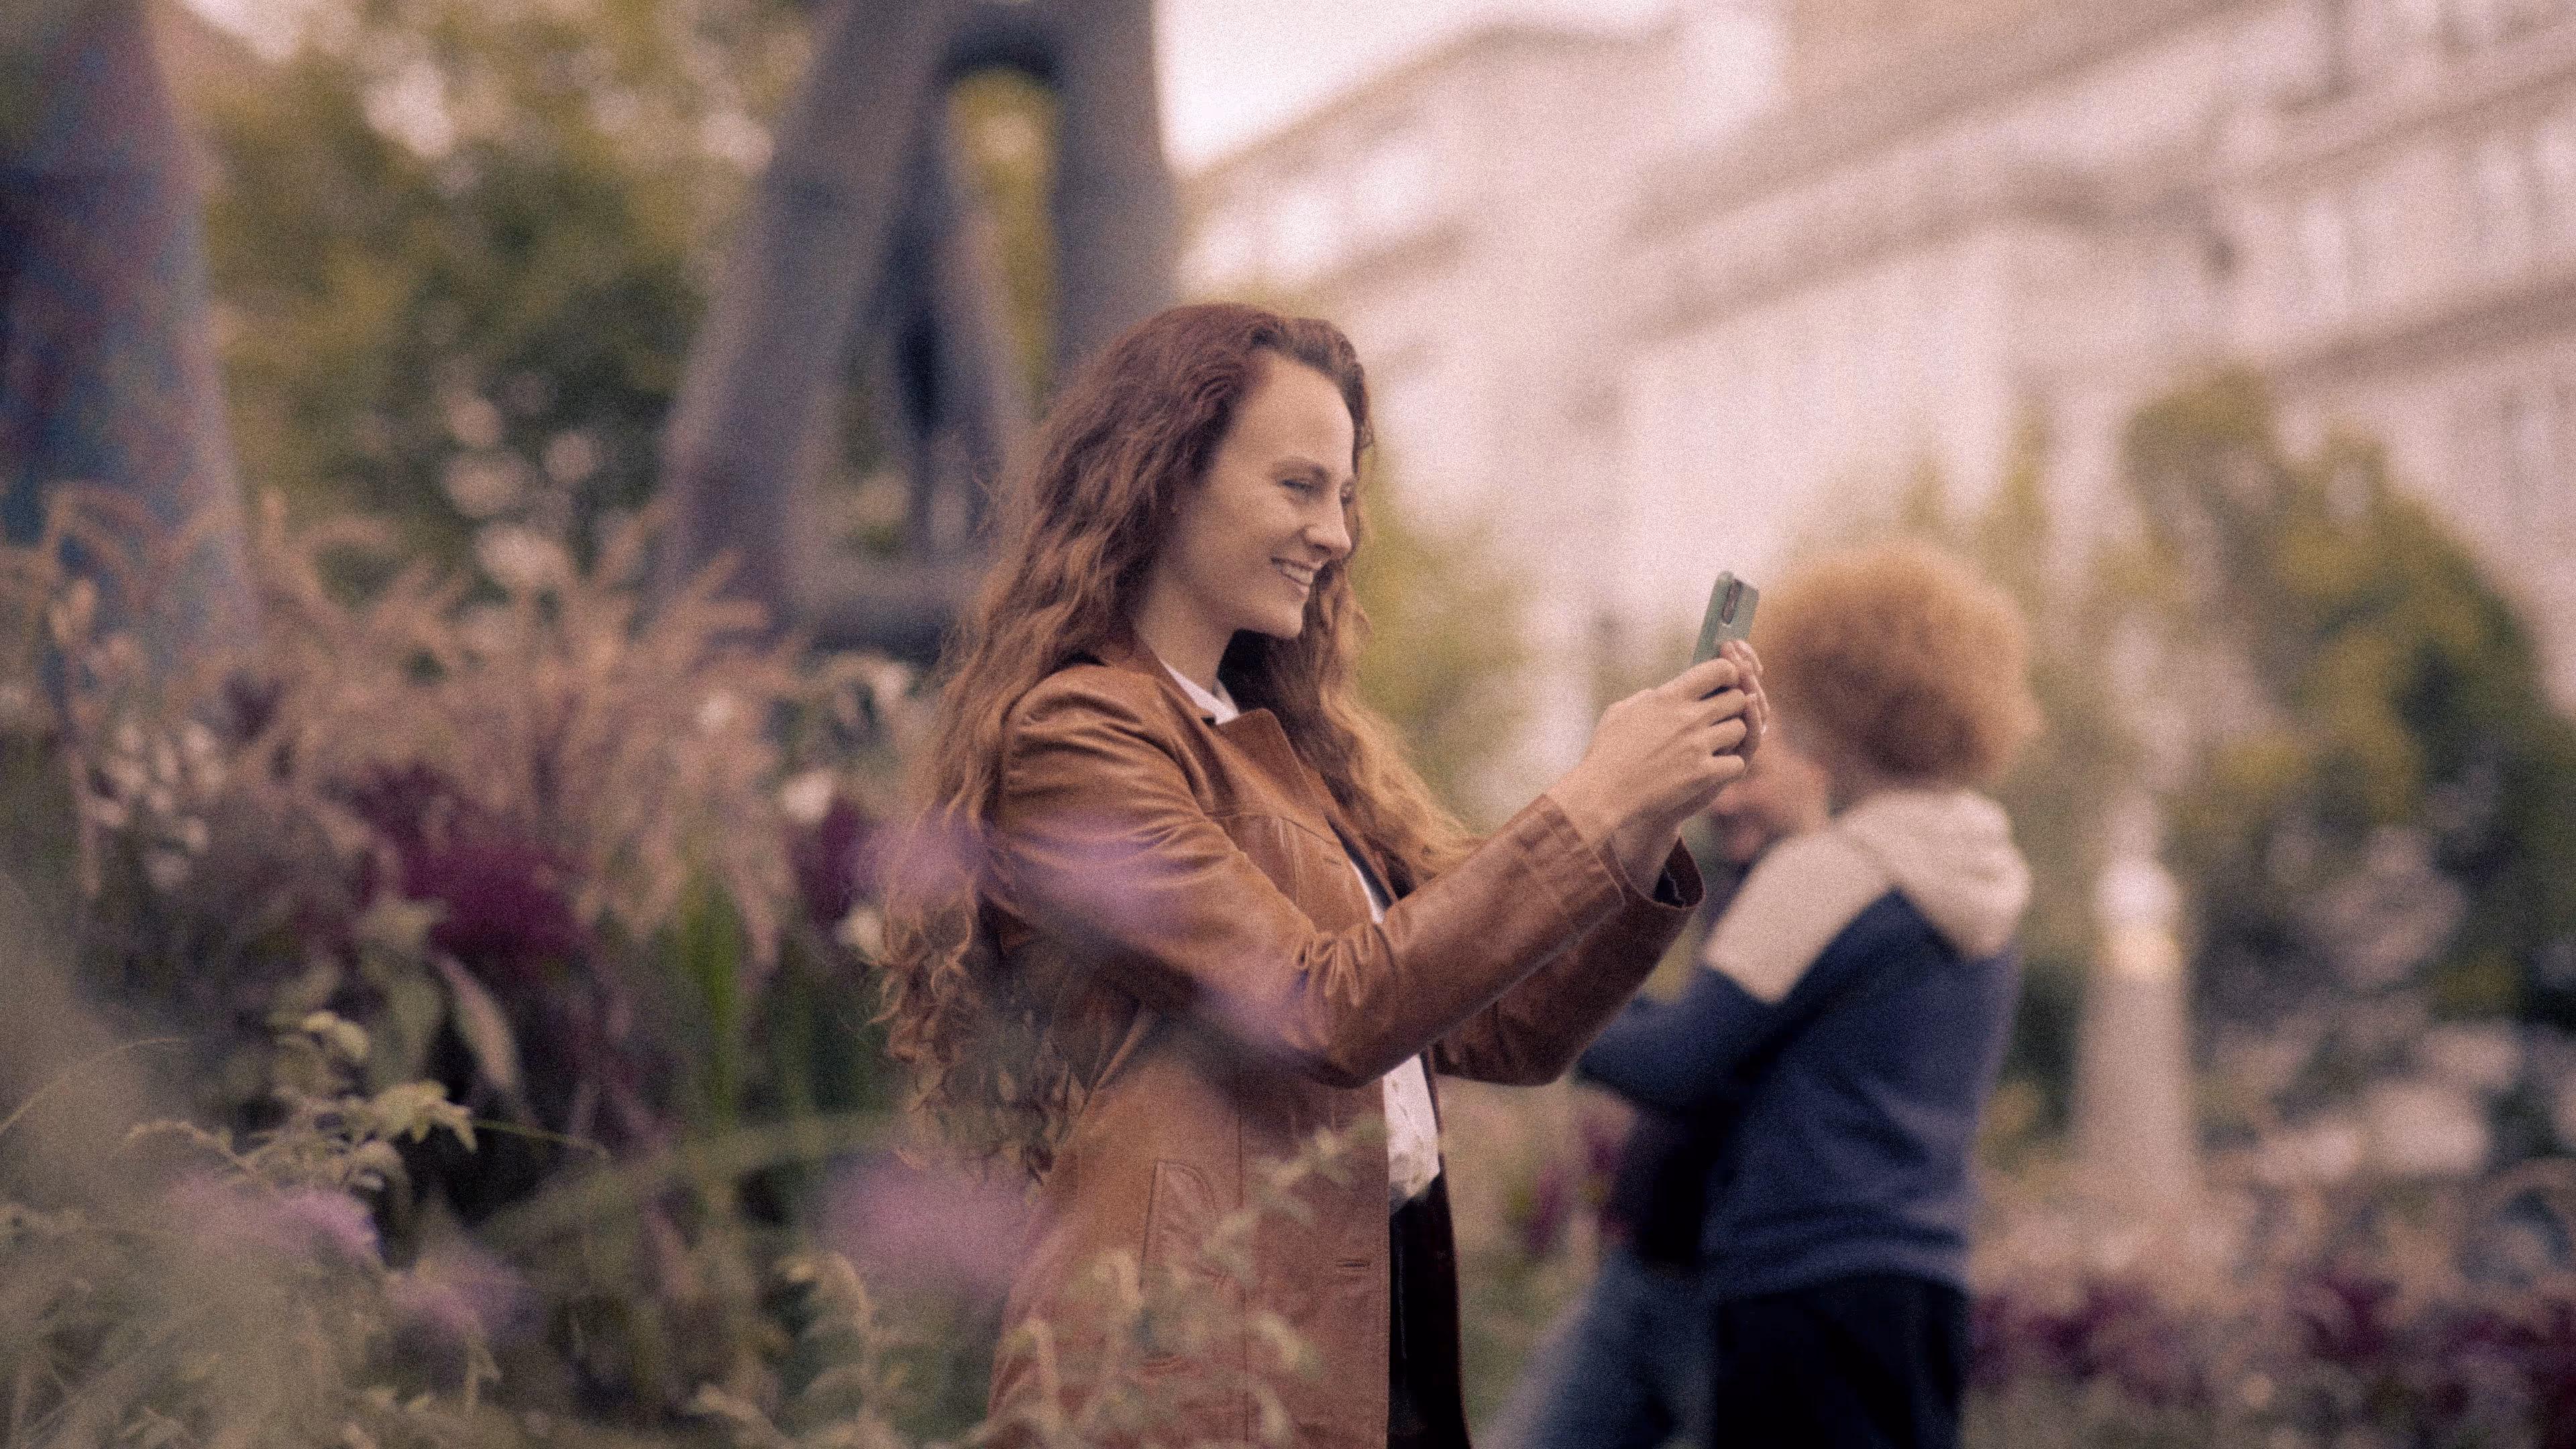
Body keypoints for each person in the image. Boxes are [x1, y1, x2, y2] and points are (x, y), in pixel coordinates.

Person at [879, 301, 1769, 1449]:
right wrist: (1590, 796)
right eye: (1299, 487)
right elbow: (1318, 1004)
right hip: (1192, 1359)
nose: (1337, 533)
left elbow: (1506, 1029)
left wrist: (1642, 817)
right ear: (1161, 480)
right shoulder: (1080, 735)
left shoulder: (1281, 751)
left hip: (1358, 1321)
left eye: (1343, 496)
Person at [1578, 542, 2039, 1449]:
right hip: (1925, 1283)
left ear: (1838, 703)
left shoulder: (1835, 871)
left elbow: (1676, 1063)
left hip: (1801, 1280)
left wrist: (1519, 1005)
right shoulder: (1984, 868)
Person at [1495, 741, 1831, 1449]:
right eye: (1725, 781)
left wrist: (1540, 1015)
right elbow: (1681, 1028)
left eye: (1754, 778)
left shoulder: (1824, 912)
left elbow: (1682, 1063)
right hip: (1644, 1270)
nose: (1726, 800)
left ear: (1818, 770)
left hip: (1730, 1296)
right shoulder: (1742, 888)